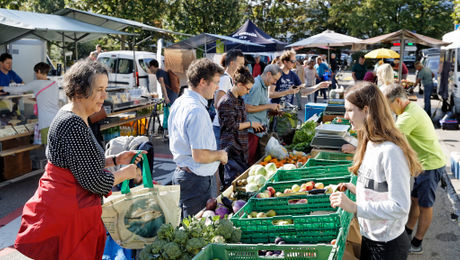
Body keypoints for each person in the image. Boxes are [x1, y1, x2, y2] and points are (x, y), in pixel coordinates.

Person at [14, 59, 144, 259]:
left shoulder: (73, 115)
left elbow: (79, 162)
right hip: (66, 213)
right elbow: (94, 182)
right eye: (99, 89)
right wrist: (125, 173)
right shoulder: (72, 123)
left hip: (64, 206)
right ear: (80, 89)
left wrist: (115, 159)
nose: (104, 95)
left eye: (105, 89)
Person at [330, 81, 422, 260]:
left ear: (366, 110)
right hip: (370, 238)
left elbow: (400, 206)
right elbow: (382, 191)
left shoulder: (390, 152)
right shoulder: (369, 142)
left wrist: (355, 207)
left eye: (349, 110)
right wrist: (358, 191)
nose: (345, 116)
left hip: (387, 246)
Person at [382, 85, 448, 254]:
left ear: (397, 101)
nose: (388, 111)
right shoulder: (408, 109)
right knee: (415, 200)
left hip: (430, 165)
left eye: (388, 106)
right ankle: (408, 231)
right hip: (422, 164)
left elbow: (388, 139)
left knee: (426, 205)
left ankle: (417, 243)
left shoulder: (408, 116)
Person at [168, 58, 228, 218]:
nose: (217, 87)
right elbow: (199, 155)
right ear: (203, 82)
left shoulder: (180, 102)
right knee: (195, 231)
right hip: (195, 180)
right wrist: (220, 155)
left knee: (190, 227)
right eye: (215, 82)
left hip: (187, 176)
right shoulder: (196, 110)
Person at [218, 66, 263, 187]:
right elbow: (231, 126)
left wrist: (252, 126)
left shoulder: (240, 100)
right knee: (232, 184)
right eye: (247, 89)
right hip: (231, 148)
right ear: (239, 84)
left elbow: (240, 123)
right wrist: (250, 124)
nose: (248, 92)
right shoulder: (226, 101)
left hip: (241, 147)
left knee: (241, 181)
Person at [0, 62, 59, 144]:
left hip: (46, 122)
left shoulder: (36, 83)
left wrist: (2, 87)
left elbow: (19, 89)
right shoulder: (54, 84)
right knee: (56, 146)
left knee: (49, 148)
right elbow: (49, 99)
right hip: (57, 120)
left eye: (35, 72)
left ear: (38, 71)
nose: (35, 74)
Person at [244, 64, 282, 165]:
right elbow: (247, 107)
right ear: (268, 74)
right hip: (251, 131)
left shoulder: (264, 86)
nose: (275, 82)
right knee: (250, 161)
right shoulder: (256, 85)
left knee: (256, 160)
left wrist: (271, 111)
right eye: (275, 79)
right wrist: (269, 106)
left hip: (259, 130)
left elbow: (259, 106)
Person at [212, 49, 245, 149]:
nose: (242, 66)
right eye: (240, 64)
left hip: (224, 126)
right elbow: (218, 103)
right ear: (231, 63)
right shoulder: (225, 79)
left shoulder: (230, 79)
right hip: (220, 127)